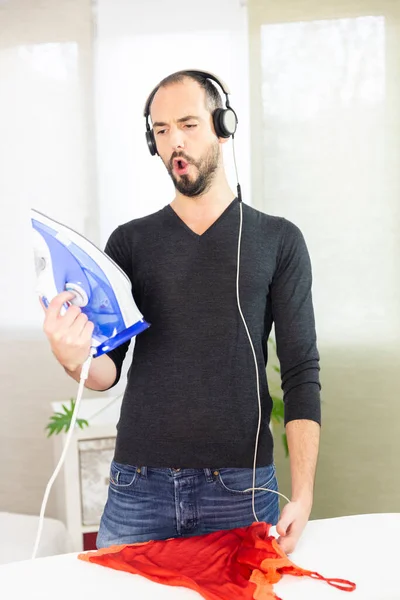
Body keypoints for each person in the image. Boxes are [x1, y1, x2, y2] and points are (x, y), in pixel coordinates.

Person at [42, 70, 321, 555]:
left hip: (242, 490)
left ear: (222, 125)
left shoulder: (279, 240)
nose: (175, 142)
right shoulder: (129, 242)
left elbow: (301, 373)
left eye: (188, 125)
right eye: (161, 130)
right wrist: (72, 356)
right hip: (138, 489)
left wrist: (304, 492)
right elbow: (107, 370)